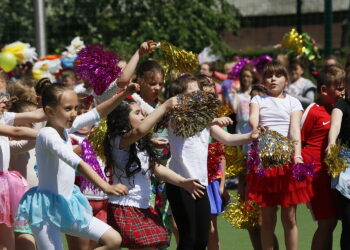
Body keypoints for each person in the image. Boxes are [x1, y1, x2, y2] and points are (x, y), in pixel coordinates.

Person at [16, 83, 139, 250]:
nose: (74, 114)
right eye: (68, 109)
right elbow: (77, 163)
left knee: (114, 240)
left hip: (68, 204)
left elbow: (97, 112)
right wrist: (106, 187)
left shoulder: (65, 127)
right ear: (50, 111)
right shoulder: (47, 135)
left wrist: (123, 95)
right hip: (44, 211)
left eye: (76, 108)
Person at [166, 75, 258, 250]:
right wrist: (212, 120)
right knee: (188, 238)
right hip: (181, 185)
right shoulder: (175, 118)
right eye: (193, 92)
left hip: (201, 185)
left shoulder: (205, 120)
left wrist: (250, 136)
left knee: (202, 239)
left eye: (199, 92)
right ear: (179, 98)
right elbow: (188, 121)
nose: (199, 95)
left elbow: (228, 138)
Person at [104, 94, 205, 249]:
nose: (143, 116)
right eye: (137, 113)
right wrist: (164, 107)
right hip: (125, 206)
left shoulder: (138, 142)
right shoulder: (118, 140)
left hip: (142, 206)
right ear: (122, 118)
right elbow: (140, 131)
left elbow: (156, 168)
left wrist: (183, 182)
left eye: (141, 112)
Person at [248, 61, 313, 250]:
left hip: (287, 163)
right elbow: (253, 117)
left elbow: (294, 130)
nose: (273, 79)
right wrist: (255, 126)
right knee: (267, 220)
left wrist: (298, 156)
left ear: (286, 80)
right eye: (268, 75)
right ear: (263, 80)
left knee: (289, 218)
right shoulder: (258, 100)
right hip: (264, 164)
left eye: (278, 75)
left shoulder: (294, 102)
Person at [302, 65, 345, 250]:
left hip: (333, 175)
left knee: (333, 222)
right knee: (327, 223)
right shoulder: (313, 110)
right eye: (339, 88)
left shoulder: (339, 108)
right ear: (324, 90)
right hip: (316, 176)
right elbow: (299, 142)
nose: (342, 92)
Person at [66, 94, 109, 250]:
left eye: (87, 113)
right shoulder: (68, 136)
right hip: (79, 200)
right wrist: (85, 144)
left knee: (98, 244)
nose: (83, 117)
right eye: (79, 113)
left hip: (102, 199)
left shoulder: (101, 136)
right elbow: (68, 158)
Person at [327, 68, 350, 250]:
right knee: (348, 220)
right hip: (345, 162)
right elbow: (335, 125)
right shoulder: (341, 105)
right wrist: (332, 142)